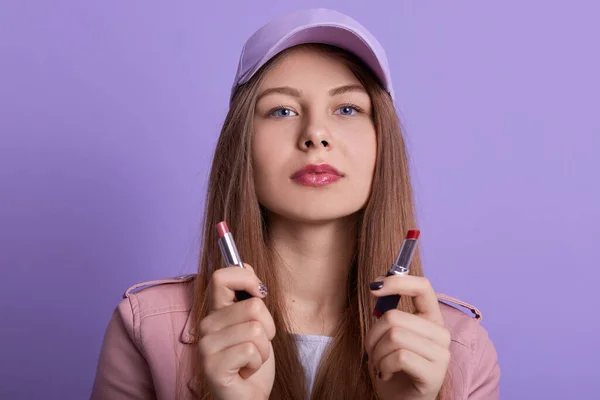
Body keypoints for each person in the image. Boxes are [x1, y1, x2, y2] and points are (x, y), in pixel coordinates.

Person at [90, 8, 500, 400]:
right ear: (241, 146)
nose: (316, 134)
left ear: (382, 142)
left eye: (348, 108)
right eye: (282, 110)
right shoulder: (145, 325)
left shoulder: (463, 348)